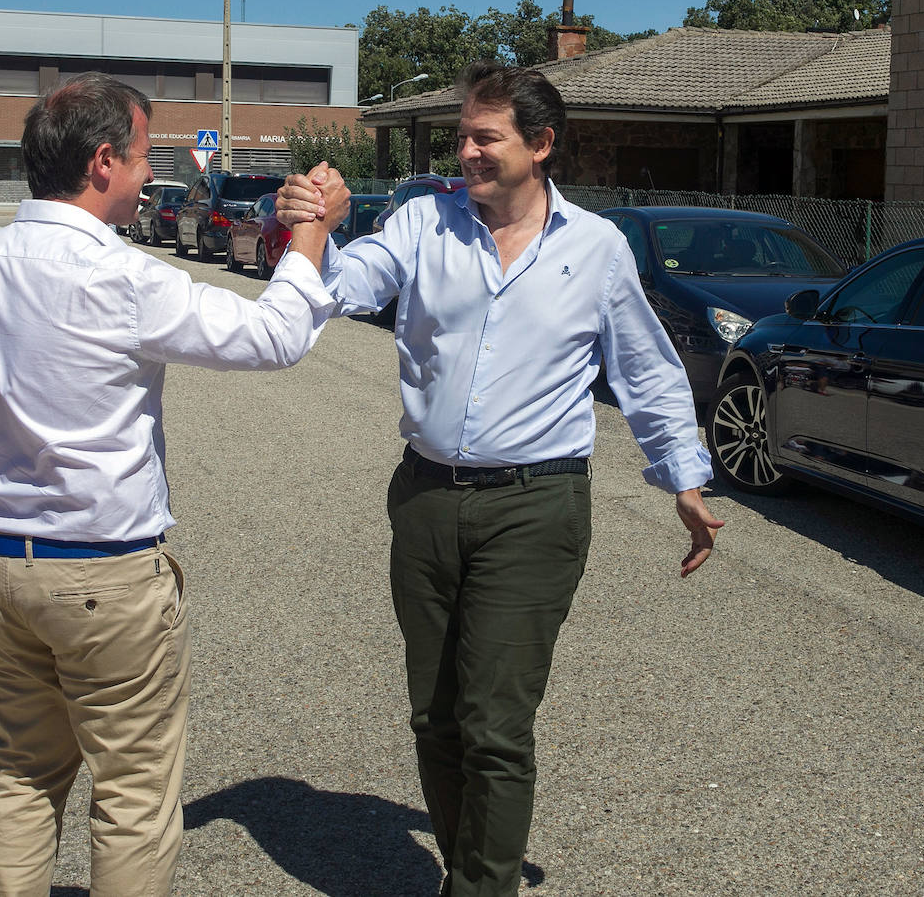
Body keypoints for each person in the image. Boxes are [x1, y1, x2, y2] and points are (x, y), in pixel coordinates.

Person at [0, 72, 346, 897]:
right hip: (104, 571)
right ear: (104, 161)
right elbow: (276, 335)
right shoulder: (123, 277)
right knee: (135, 792)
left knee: (22, 773)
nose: (147, 177)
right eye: (143, 158)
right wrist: (311, 231)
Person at [277, 61, 724, 897]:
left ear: (541, 144)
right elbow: (339, 288)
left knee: (495, 725)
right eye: (463, 136)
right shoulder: (421, 224)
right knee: (437, 720)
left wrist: (685, 482)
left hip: (537, 505)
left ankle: (483, 887)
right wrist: (315, 228)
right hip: (426, 499)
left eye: (487, 137)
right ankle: (467, 868)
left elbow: (648, 372)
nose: (469, 152)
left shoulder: (596, 248)